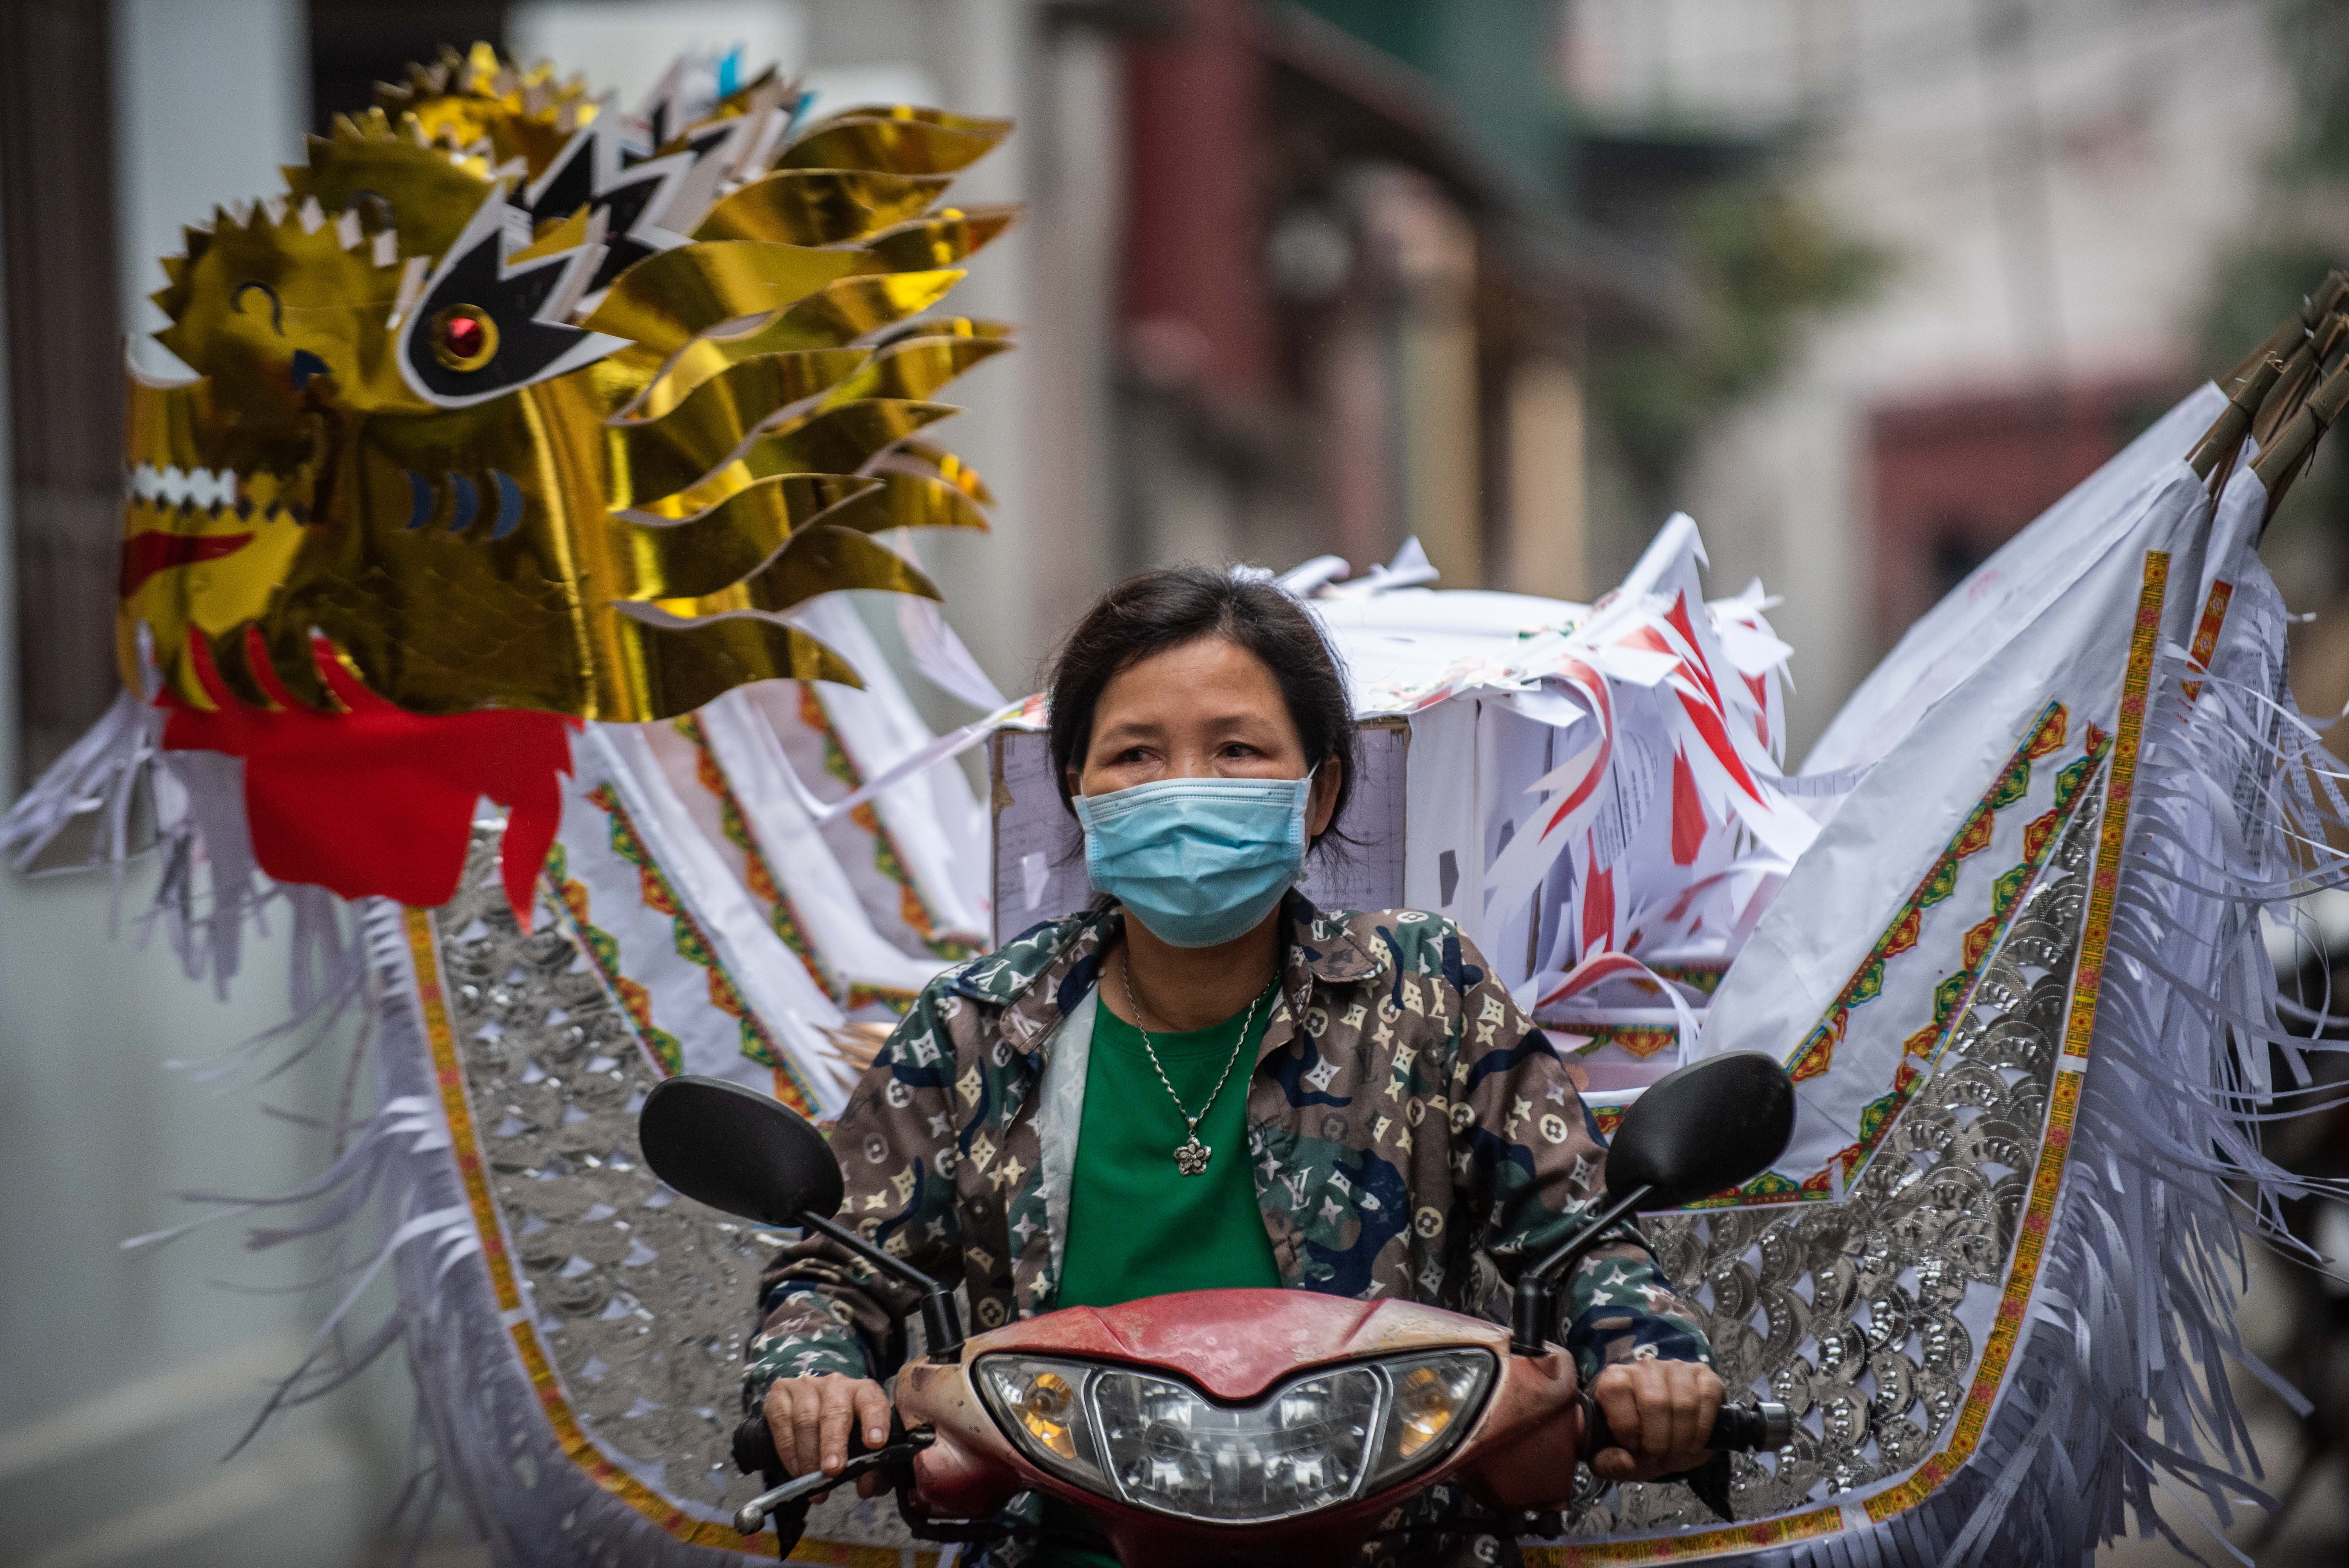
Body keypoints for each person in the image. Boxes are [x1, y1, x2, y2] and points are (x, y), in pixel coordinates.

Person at [743, 565, 1723, 1564]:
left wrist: (1646, 1362)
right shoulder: (981, 1024)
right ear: (1077, 789)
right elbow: (832, 1272)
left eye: (1236, 749)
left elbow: (1580, 1238)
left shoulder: (1427, 990)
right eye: (1135, 754)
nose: (1184, 787)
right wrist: (817, 1375)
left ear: (1319, 791)